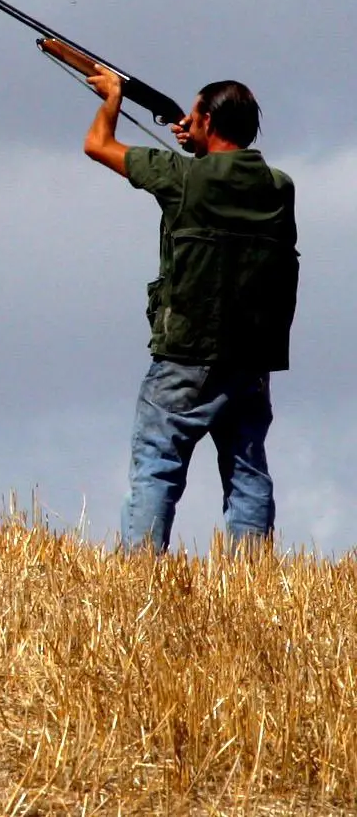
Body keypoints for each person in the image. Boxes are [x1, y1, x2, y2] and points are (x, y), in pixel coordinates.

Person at [83, 68, 298, 552]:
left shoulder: (182, 177)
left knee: (158, 460)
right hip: (251, 355)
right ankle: (251, 582)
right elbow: (222, 179)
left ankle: (140, 575)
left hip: (187, 351)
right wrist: (199, 144)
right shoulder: (279, 188)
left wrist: (112, 97)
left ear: (204, 120)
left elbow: (98, 144)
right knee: (247, 468)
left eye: (194, 114)